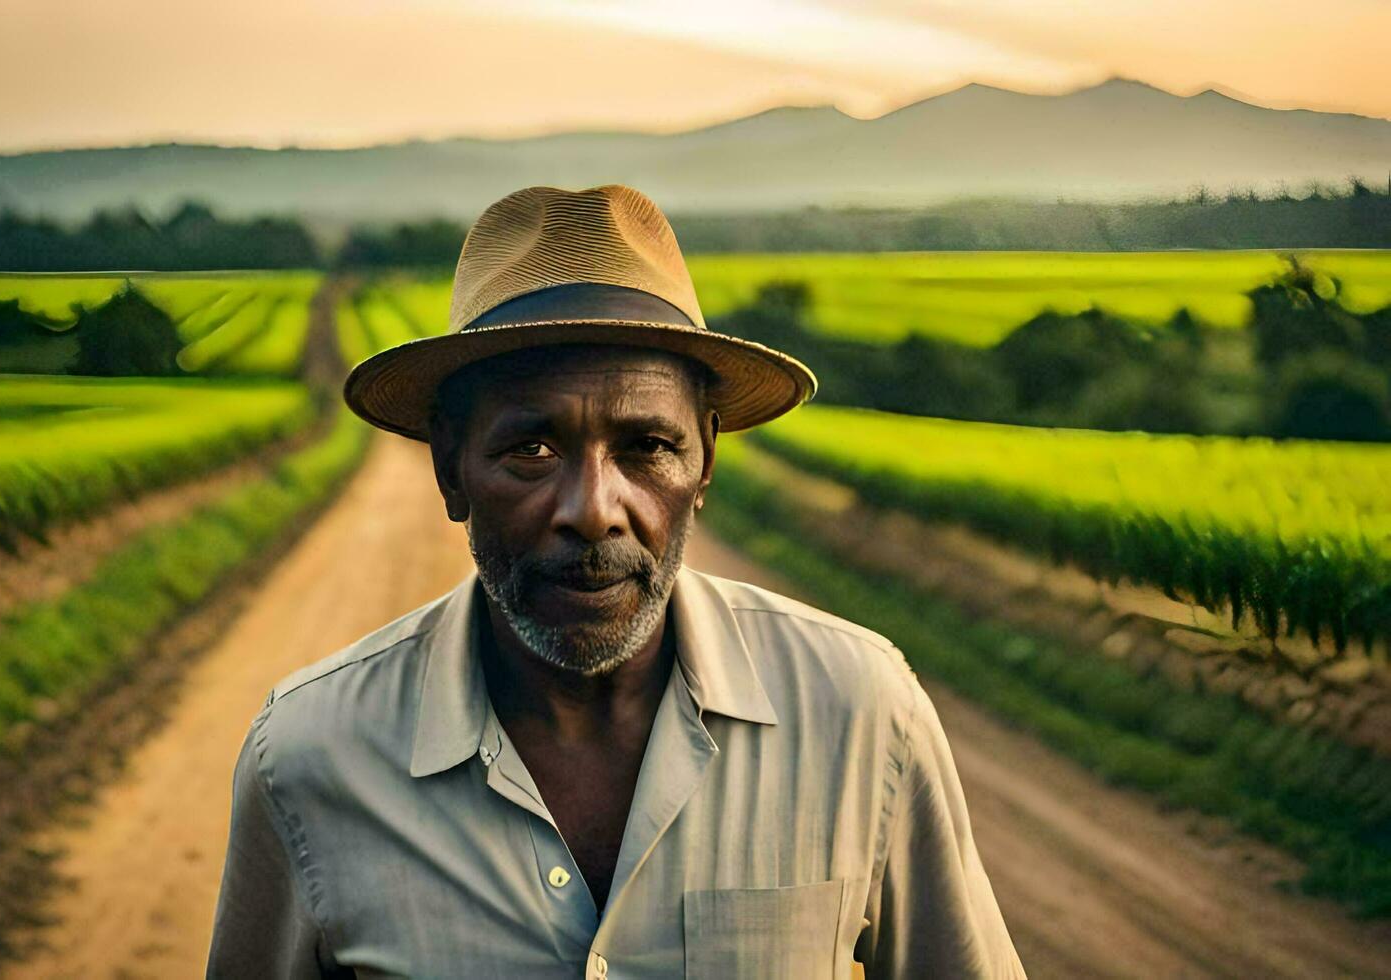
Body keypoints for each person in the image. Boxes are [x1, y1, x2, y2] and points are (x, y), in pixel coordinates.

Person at [206, 184, 1027, 979]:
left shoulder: (859, 713)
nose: (594, 511)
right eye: (532, 449)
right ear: (451, 468)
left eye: (646, 448)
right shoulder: (309, 759)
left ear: (703, 461)